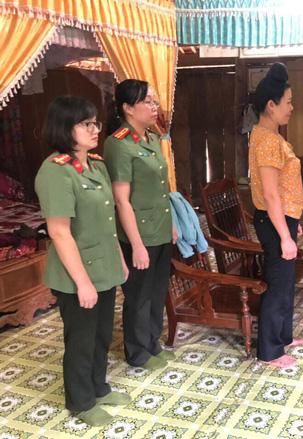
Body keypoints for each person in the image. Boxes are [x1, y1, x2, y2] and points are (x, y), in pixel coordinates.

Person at [35, 96, 130, 426]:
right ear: (65, 128)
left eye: (95, 123)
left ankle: (98, 387)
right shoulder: (55, 171)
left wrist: (119, 258)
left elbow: (106, 221)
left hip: (103, 266)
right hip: (76, 274)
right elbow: (59, 232)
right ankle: (81, 401)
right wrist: (83, 283)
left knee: (102, 334)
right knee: (81, 339)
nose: (94, 129)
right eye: (85, 124)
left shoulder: (96, 165)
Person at [104, 79, 175, 370]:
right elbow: (121, 200)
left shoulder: (152, 139)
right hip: (139, 233)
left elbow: (161, 189)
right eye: (147, 101)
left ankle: (152, 342)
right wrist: (136, 245)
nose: (154, 106)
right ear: (128, 108)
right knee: (139, 294)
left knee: (157, 291)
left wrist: (170, 224)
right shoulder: (119, 144)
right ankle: (137, 352)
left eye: (154, 101)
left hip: (160, 228)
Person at [249, 62, 303, 368]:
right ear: (271, 106)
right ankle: (270, 350)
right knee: (277, 283)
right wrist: (284, 235)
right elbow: (270, 194)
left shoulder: (268, 135)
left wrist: (292, 223)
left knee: (285, 283)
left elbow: (282, 190)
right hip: (274, 222)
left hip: (281, 218)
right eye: (288, 102)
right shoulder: (268, 140)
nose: (292, 108)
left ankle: (283, 336)